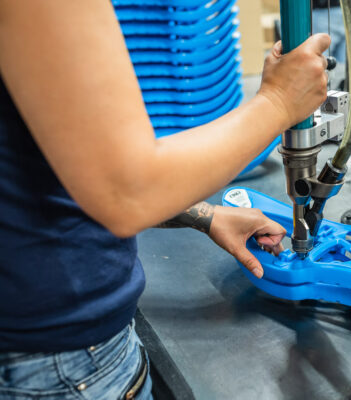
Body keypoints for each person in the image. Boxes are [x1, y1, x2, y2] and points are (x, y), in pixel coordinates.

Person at [0, 1, 330, 399]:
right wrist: (278, 102)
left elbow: (69, 167)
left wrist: (204, 215)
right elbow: (125, 190)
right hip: (61, 368)